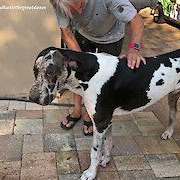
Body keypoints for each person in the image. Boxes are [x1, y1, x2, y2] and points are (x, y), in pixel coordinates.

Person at [50, 0, 146, 136]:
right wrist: (81, 61)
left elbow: (136, 21)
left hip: (111, 37)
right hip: (83, 34)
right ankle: (77, 110)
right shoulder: (59, 2)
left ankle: (89, 115)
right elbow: (67, 33)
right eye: (73, 11)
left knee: (102, 79)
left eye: (81, 6)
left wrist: (134, 49)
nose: (78, 13)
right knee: (78, 74)